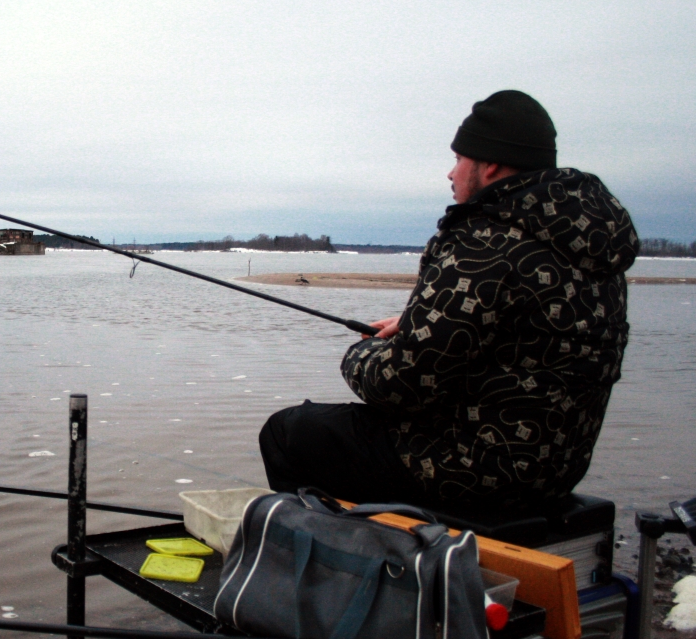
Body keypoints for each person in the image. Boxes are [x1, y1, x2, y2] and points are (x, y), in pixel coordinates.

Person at [260, 90, 639, 513]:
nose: (451, 173)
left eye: (459, 159)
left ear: (490, 164)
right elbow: (524, 340)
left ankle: (343, 563)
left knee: (288, 432)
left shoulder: (484, 239)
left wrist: (363, 352)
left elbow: (400, 384)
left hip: (471, 473)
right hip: (555, 470)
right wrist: (415, 324)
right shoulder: (590, 247)